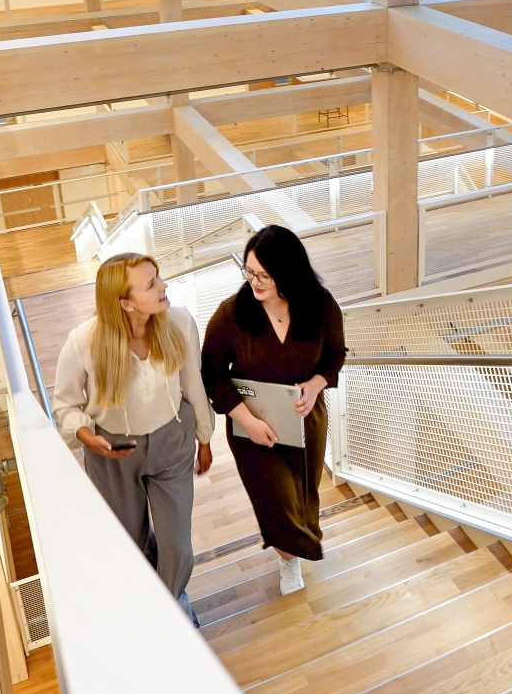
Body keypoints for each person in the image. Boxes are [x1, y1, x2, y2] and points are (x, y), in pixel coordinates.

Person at [53, 253, 213, 618]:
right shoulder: (83, 341)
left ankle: (170, 608)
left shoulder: (180, 323)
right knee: (130, 541)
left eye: (158, 278)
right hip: (114, 452)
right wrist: (86, 436)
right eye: (151, 284)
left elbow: (193, 383)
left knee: (178, 547)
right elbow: (64, 404)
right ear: (125, 303)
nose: (164, 286)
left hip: (172, 443)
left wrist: (204, 437)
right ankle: (150, 595)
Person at [201, 225, 346, 595]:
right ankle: (289, 558)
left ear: (289, 272)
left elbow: (334, 355)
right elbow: (212, 375)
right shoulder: (232, 314)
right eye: (249, 272)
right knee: (276, 502)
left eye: (264, 275)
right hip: (251, 428)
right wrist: (247, 422)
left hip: (304, 420)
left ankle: (292, 550)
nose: (254, 282)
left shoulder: (320, 305)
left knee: (302, 495)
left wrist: (316, 385)